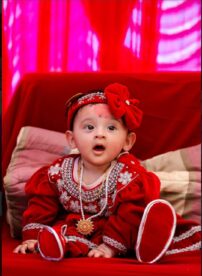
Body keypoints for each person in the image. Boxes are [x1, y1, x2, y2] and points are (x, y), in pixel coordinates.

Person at [14, 83, 201, 263]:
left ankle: (149, 238)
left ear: (128, 141)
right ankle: (54, 246)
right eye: (89, 127)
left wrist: (109, 246)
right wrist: (32, 236)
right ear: (72, 139)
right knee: (66, 232)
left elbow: (130, 212)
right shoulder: (58, 171)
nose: (99, 134)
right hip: (78, 225)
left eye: (111, 128)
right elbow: (41, 204)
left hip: (119, 226)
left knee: (137, 218)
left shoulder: (128, 175)